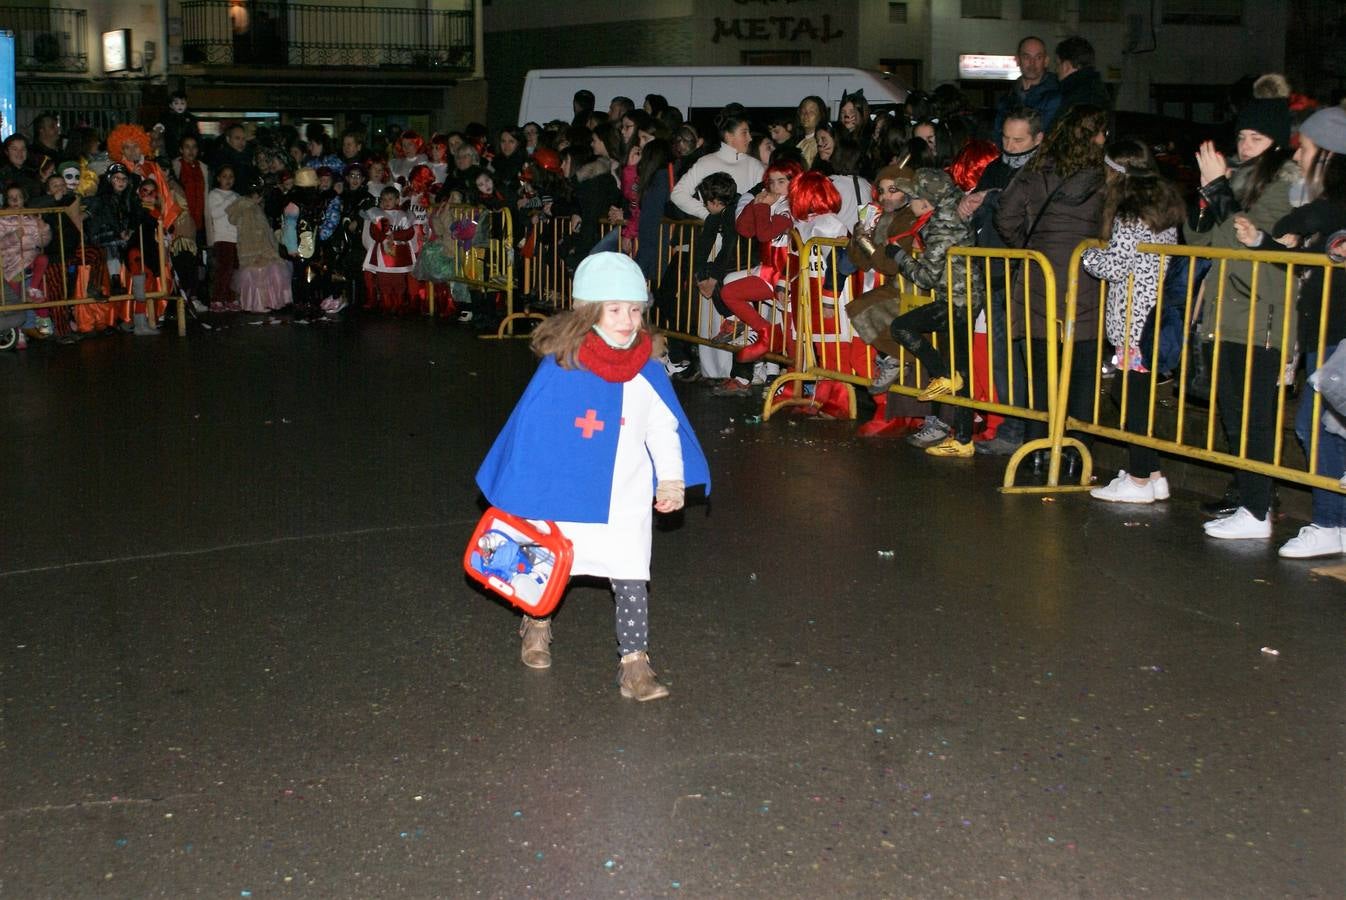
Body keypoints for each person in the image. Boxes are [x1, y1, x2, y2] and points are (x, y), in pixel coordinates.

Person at [475, 252, 710, 701]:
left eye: (635, 309)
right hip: (564, 492)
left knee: (630, 575)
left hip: (624, 497)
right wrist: (525, 493)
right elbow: (532, 435)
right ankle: (537, 623)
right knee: (549, 564)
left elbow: (664, 428)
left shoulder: (647, 370)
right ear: (589, 311)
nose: (627, 320)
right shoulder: (562, 368)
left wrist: (672, 480)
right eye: (615, 309)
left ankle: (634, 664)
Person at [1188, 74, 1299, 532]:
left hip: (1260, 314)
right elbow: (1200, 238)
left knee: (1253, 416)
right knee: (1232, 412)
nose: (1246, 145)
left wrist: (1220, 191)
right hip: (1224, 310)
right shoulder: (1234, 178)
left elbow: (1246, 236)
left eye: (1257, 138)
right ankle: (1249, 498)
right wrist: (1206, 192)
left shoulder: (1287, 183)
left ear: (1277, 142)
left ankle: (1257, 508)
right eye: (1242, 136)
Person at [1235, 105, 1346, 556]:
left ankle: (1328, 521)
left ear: (1329, 155)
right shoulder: (1323, 204)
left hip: (1339, 335)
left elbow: (1308, 224)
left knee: (1316, 427)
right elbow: (1292, 231)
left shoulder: (1333, 205)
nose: (1299, 158)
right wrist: (1265, 242)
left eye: (1308, 150)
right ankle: (1333, 524)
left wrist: (1309, 232)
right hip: (1326, 332)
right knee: (1321, 427)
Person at [995, 105, 1109, 474]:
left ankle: (1038, 451)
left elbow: (1005, 215)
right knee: (1081, 375)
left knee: (1040, 373)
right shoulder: (1103, 179)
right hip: (1086, 288)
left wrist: (1029, 247)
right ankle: (1077, 456)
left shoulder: (1034, 172)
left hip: (1038, 285)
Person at [1083, 139, 1187, 503]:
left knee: (1130, 397)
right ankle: (1153, 474)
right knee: (1133, 393)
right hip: (1151, 314)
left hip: (1134, 320)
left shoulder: (1129, 213)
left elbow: (1116, 264)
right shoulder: (1162, 206)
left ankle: (1140, 478)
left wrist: (1088, 256)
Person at [865, 169, 983, 457]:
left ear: (927, 200)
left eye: (914, 196)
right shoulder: (945, 215)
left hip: (956, 300)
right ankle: (964, 440)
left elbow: (927, 277)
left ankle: (942, 375)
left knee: (902, 327)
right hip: (961, 297)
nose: (909, 200)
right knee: (962, 369)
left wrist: (900, 257)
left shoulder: (944, 225)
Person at [962, 106, 1046, 457]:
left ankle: (1036, 432)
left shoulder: (1044, 172)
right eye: (1006, 139)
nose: (1011, 146)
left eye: (1019, 140)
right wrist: (967, 206)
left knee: (1032, 358)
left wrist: (992, 199)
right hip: (995, 274)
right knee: (1004, 358)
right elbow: (976, 215)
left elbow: (1034, 214)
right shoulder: (995, 168)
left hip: (1030, 278)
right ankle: (1012, 426)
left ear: (1038, 139)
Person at [670, 110, 765, 221]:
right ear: (729, 136)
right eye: (744, 133)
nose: (750, 138)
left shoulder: (755, 166)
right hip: (710, 236)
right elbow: (678, 194)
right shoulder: (705, 162)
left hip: (743, 236)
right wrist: (707, 215)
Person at [227, 178, 292, 313]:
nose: (260, 198)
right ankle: (258, 304)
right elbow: (250, 233)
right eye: (258, 195)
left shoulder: (253, 207)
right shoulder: (248, 209)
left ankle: (265, 303)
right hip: (255, 250)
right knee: (259, 277)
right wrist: (260, 251)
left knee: (266, 274)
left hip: (261, 248)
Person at [0, 183, 52, 347]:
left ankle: (33, 290)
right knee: (17, 301)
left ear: (24, 199)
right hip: (11, 262)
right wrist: (13, 237)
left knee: (42, 259)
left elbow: (42, 242)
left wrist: (44, 231)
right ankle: (20, 332)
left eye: (18, 197)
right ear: (7, 200)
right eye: (11, 198)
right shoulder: (2, 219)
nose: (15, 200)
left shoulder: (31, 218)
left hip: (29, 260)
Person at [994, 37, 1061, 137]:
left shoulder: (1058, 96)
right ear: (1017, 60)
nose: (1032, 63)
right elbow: (998, 135)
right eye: (1026, 57)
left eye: (1038, 57)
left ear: (1046, 61)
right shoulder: (1006, 100)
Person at [206, 165, 240, 311]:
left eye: (231, 176)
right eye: (224, 176)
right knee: (223, 269)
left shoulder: (237, 196)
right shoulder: (214, 195)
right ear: (219, 178)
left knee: (234, 270)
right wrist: (229, 202)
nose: (228, 179)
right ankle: (217, 298)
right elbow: (214, 213)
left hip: (236, 238)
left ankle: (230, 297)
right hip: (222, 237)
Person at [1055, 36, 1112, 116]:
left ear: (1066, 66)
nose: (1056, 70)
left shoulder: (1077, 99)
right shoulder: (1096, 89)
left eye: (1058, 64)